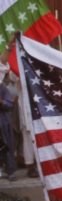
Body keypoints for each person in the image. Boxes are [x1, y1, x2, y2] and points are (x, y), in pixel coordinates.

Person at [0, 31, 19, 181]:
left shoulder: (3, 89)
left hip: (2, 121)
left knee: (6, 144)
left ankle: (9, 170)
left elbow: (1, 63)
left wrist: (9, 46)